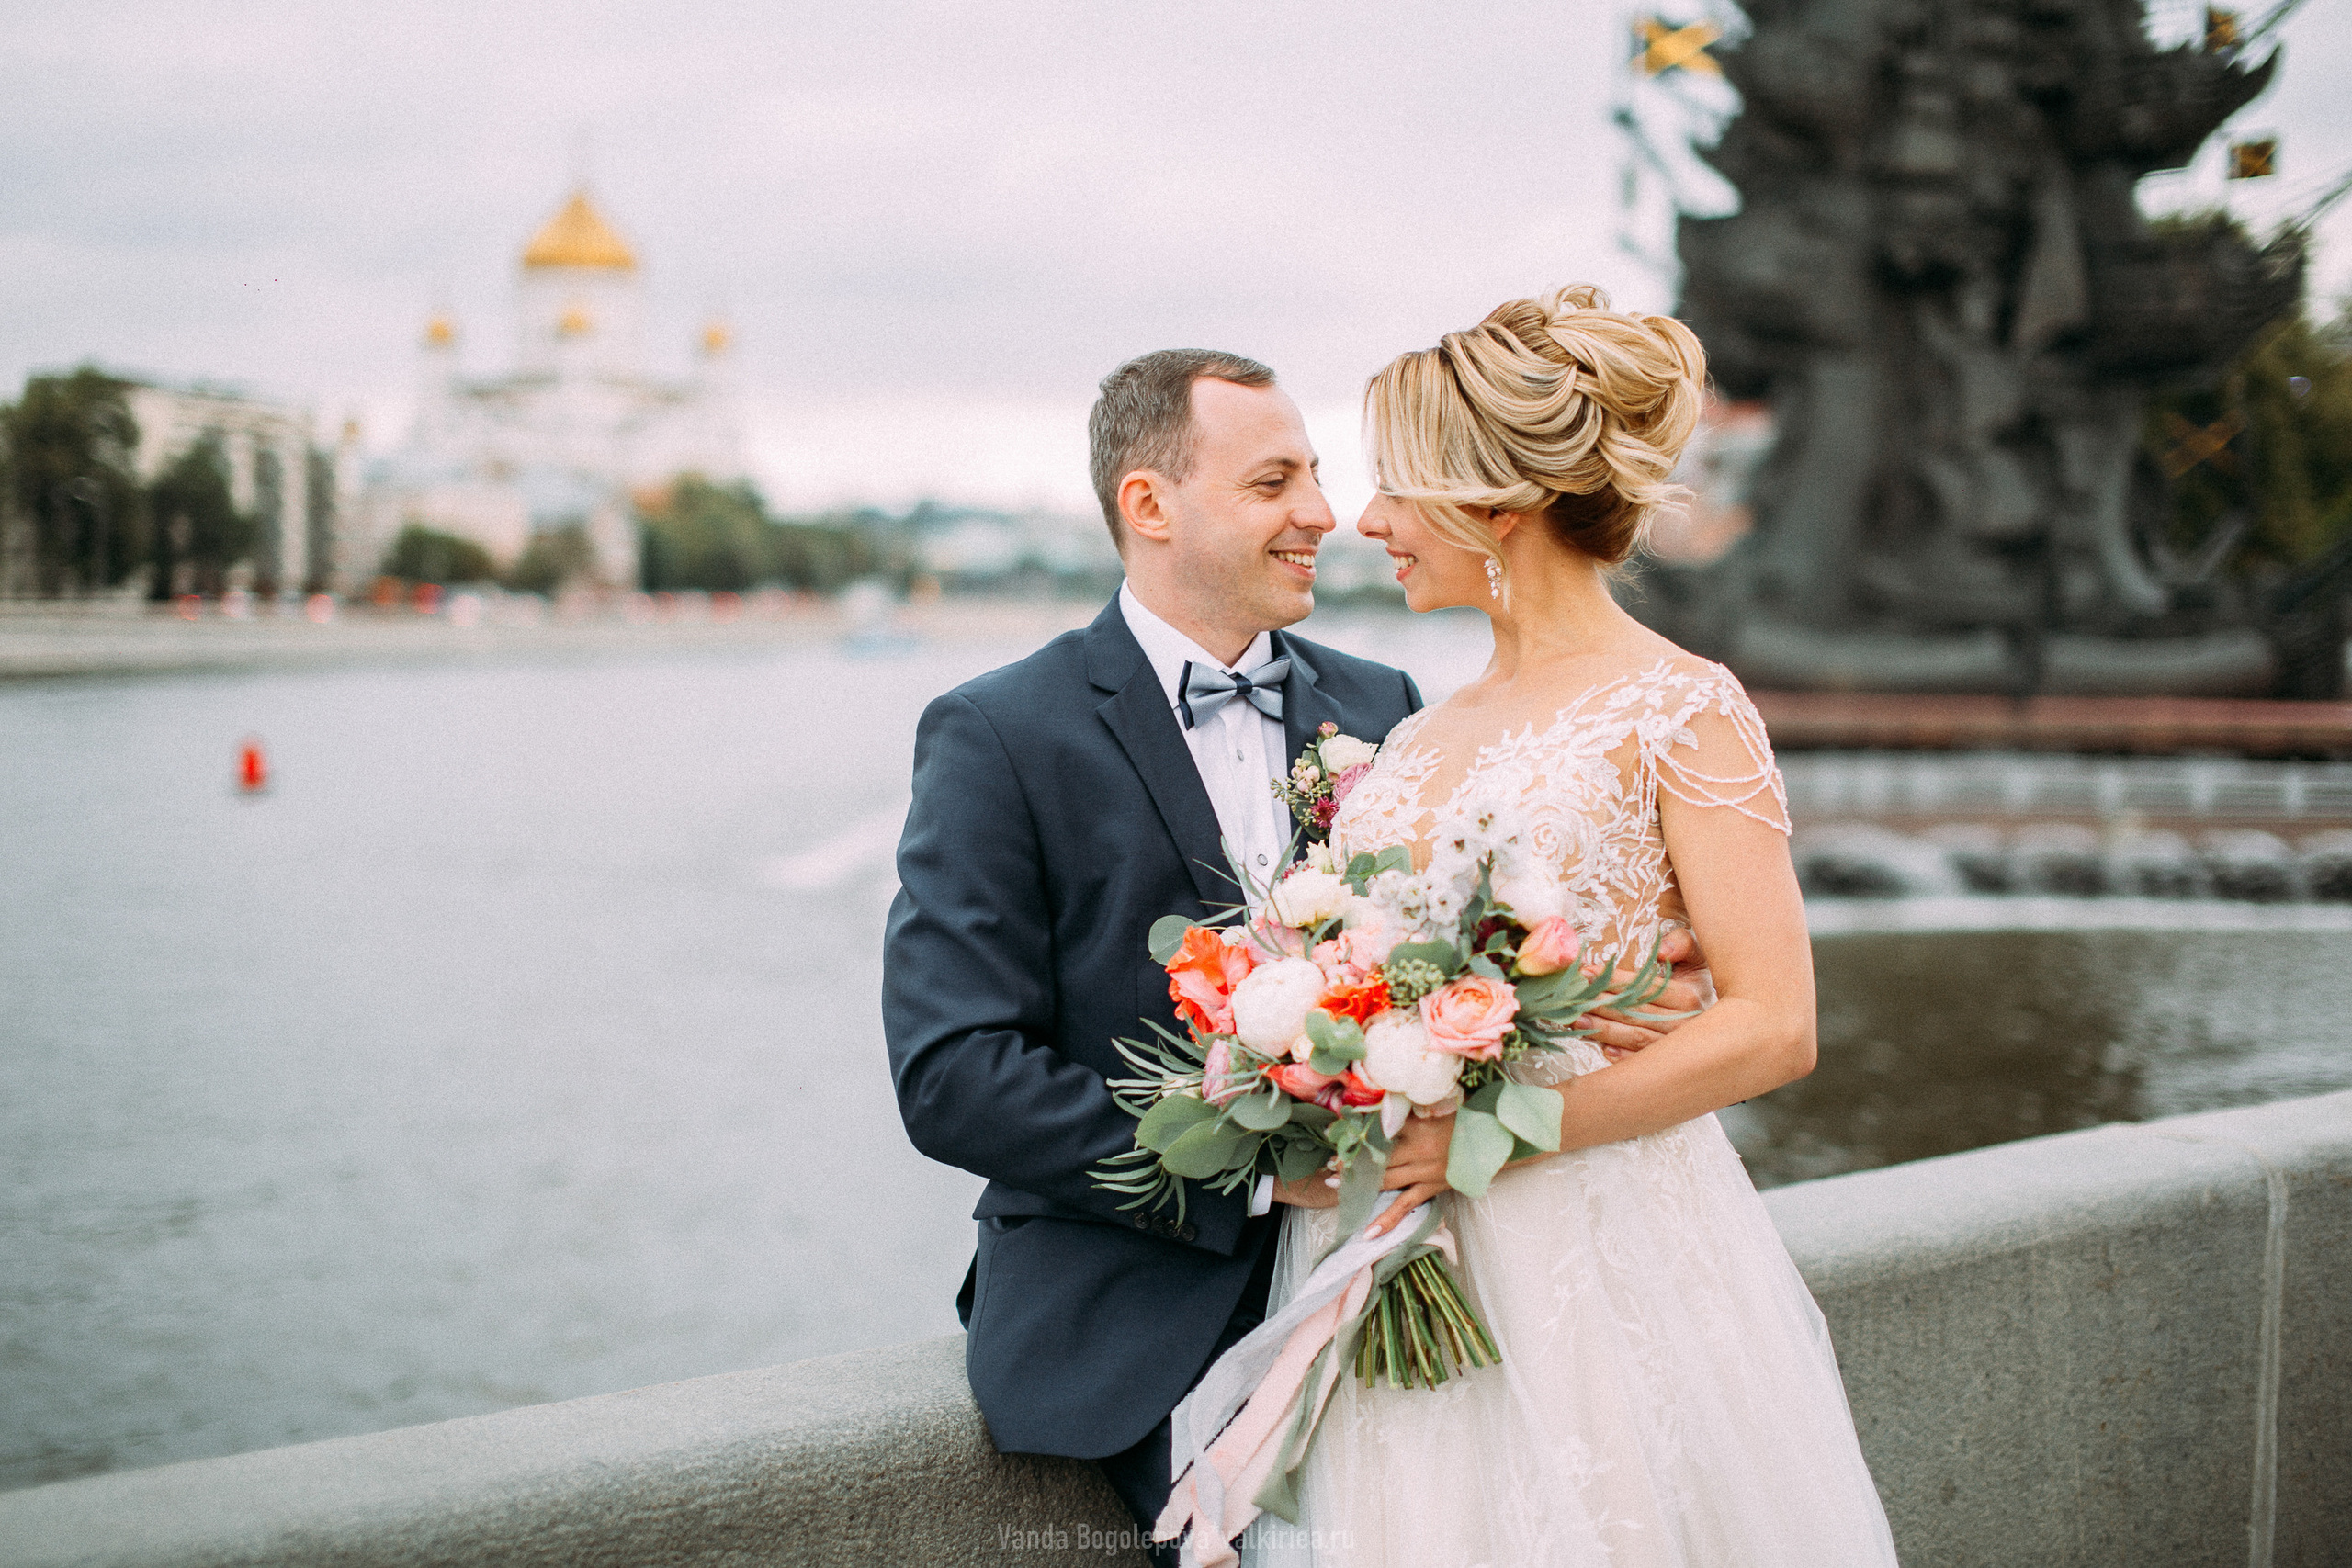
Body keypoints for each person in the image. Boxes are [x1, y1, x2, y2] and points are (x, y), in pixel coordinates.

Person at [880, 346, 1712, 1566]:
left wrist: (1602, 1003)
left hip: (1422, 1267)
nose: (1324, 513)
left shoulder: (1388, 705)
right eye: (1276, 482)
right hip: (1141, 1314)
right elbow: (954, 1074)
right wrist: (1259, 1178)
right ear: (1150, 506)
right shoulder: (999, 733)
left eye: (1317, 475)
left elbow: (1486, 955)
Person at [1230, 287, 1899, 1567]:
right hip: (1392, 1261)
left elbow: (1775, 1025)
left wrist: (1491, 1134)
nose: (1365, 523)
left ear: (1499, 505)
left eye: (1400, 493)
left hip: (1597, 1251)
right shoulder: (1420, 733)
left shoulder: (1681, 708)